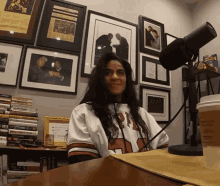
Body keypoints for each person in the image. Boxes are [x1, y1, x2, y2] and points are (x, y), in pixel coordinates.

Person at [67, 52, 169, 164]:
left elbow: (162, 147)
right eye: (108, 73)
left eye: (120, 73)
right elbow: (81, 161)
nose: (115, 77)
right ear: (100, 79)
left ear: (126, 79)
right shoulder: (84, 112)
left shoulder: (142, 113)